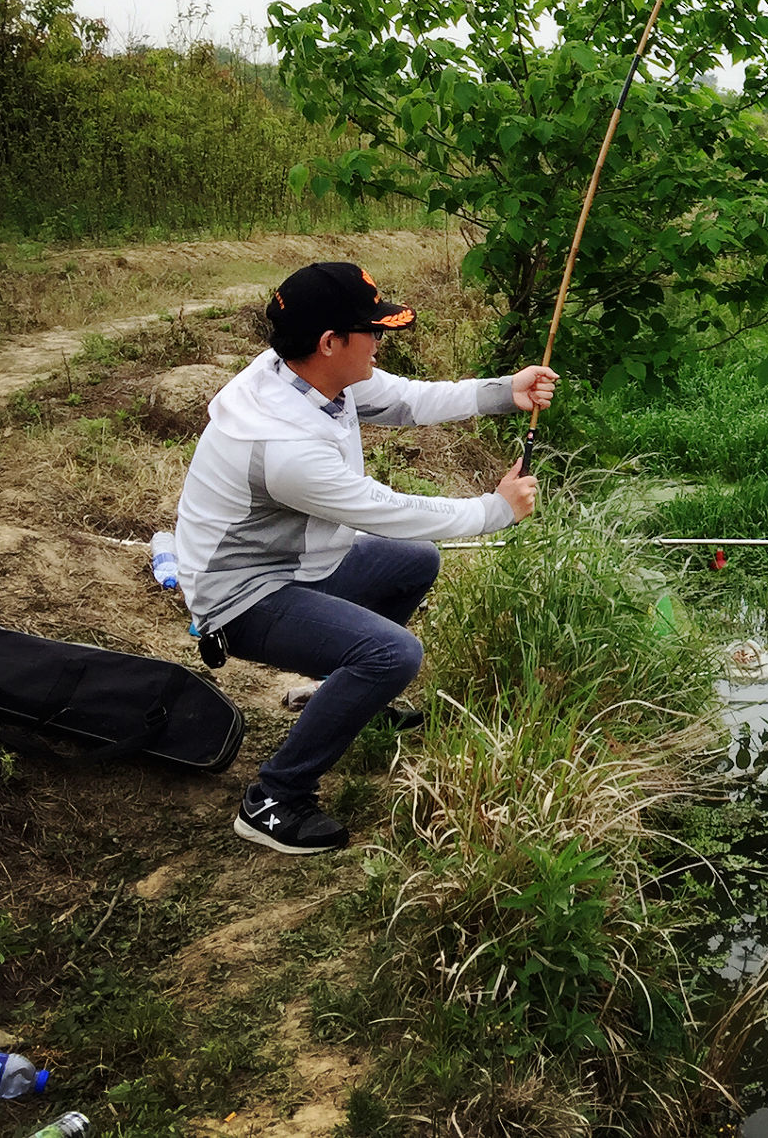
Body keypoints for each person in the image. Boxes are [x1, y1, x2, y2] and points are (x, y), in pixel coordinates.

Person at [173, 262, 557, 854]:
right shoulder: (282, 444)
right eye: (371, 331)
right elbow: (388, 510)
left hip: (297, 566)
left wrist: (504, 391)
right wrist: (495, 510)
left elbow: (404, 400)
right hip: (240, 596)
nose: (380, 342)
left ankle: (338, 692)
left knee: (413, 561)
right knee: (393, 653)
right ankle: (274, 798)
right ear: (330, 343)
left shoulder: (303, 373)